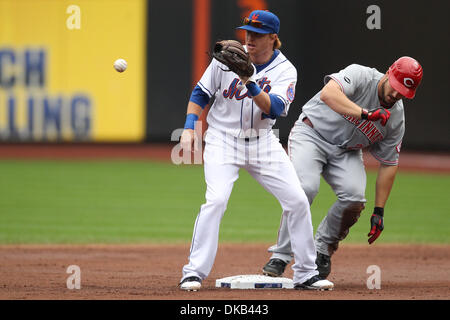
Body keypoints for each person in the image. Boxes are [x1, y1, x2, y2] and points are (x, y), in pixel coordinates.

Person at [178, 10, 334, 291]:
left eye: (257, 35)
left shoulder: (286, 70)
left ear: (273, 38)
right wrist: (189, 127)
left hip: (263, 142)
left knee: (298, 200)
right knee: (216, 201)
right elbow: (200, 93)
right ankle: (193, 272)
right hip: (222, 141)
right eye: (247, 32)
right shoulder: (227, 57)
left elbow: (274, 108)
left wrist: (248, 80)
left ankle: (306, 273)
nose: (249, 38)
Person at [261, 57, 423, 279]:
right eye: (395, 86)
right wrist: (365, 114)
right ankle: (281, 255)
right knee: (305, 188)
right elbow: (329, 94)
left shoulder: (396, 118)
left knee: (355, 199)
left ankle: (322, 249)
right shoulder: (360, 74)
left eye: (403, 92)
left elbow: (389, 164)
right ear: (388, 73)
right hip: (312, 134)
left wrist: (379, 211)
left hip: (346, 151)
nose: (396, 94)